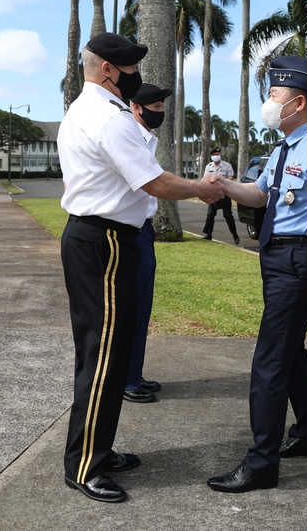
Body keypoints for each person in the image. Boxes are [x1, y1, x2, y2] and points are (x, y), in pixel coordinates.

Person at [57, 32, 224, 504]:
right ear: (108, 70)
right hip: (106, 242)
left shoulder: (83, 109)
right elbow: (153, 182)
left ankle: (98, 449)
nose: (137, 77)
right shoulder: (111, 120)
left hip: (97, 239)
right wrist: (201, 187)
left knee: (104, 353)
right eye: (130, 69)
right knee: (104, 356)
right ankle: (84, 465)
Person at [206, 56, 307, 493]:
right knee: (291, 351)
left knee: (269, 361)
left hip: (301, 262)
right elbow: (260, 195)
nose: (268, 104)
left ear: (298, 102)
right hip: (276, 259)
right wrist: (222, 186)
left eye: (274, 96)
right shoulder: (283, 149)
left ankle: (262, 462)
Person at [122, 82, 171, 405]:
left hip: (145, 231)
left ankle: (134, 373)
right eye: (154, 108)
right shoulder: (129, 138)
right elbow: (154, 183)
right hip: (132, 231)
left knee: (143, 308)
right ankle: (126, 380)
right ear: (136, 108)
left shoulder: (145, 138)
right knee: (133, 307)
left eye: (162, 107)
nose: (160, 113)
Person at [202, 147, 241, 245]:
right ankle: (208, 235)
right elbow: (206, 178)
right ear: (211, 156)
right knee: (210, 215)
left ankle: (235, 235)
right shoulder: (209, 166)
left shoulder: (227, 166)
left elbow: (231, 177)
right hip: (212, 194)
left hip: (225, 194)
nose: (216, 156)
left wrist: (222, 180)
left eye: (218, 154)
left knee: (228, 215)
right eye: (214, 154)